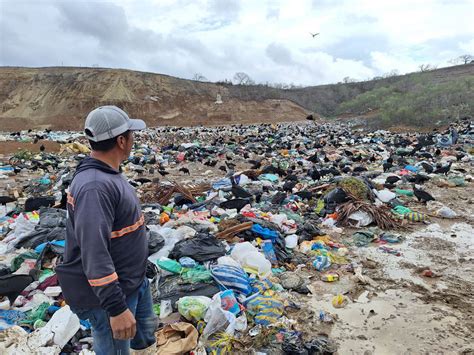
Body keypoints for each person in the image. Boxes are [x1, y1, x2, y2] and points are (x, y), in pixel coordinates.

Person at [56, 106, 156, 355]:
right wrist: (116, 308)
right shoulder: (94, 187)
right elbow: (94, 254)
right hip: (111, 298)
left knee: (144, 337)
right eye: (131, 134)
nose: (134, 139)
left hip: (133, 281)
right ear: (121, 140)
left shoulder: (106, 174)